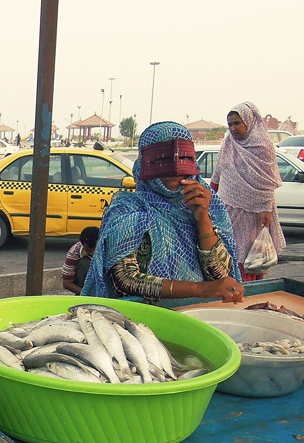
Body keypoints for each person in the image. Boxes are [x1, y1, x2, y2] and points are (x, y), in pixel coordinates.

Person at [82, 121, 244, 303]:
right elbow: (124, 279)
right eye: (161, 160)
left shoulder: (210, 205)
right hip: (143, 319)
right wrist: (198, 288)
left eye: (184, 158)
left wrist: (202, 219)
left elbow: (221, 278)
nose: (175, 170)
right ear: (144, 164)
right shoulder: (128, 210)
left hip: (201, 314)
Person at [211, 101, 286, 282]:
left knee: (249, 257)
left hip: (254, 212)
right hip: (227, 209)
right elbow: (218, 173)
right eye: (230, 124)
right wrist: (210, 198)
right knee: (226, 253)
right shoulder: (228, 143)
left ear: (249, 121)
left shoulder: (263, 146)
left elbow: (267, 180)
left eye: (237, 123)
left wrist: (266, 208)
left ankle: (249, 290)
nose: (233, 128)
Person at [62, 226, 100, 294]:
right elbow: (66, 283)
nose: (92, 253)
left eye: (95, 249)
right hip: (84, 288)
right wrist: (85, 294)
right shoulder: (74, 252)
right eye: (88, 250)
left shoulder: (108, 248)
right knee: (85, 263)